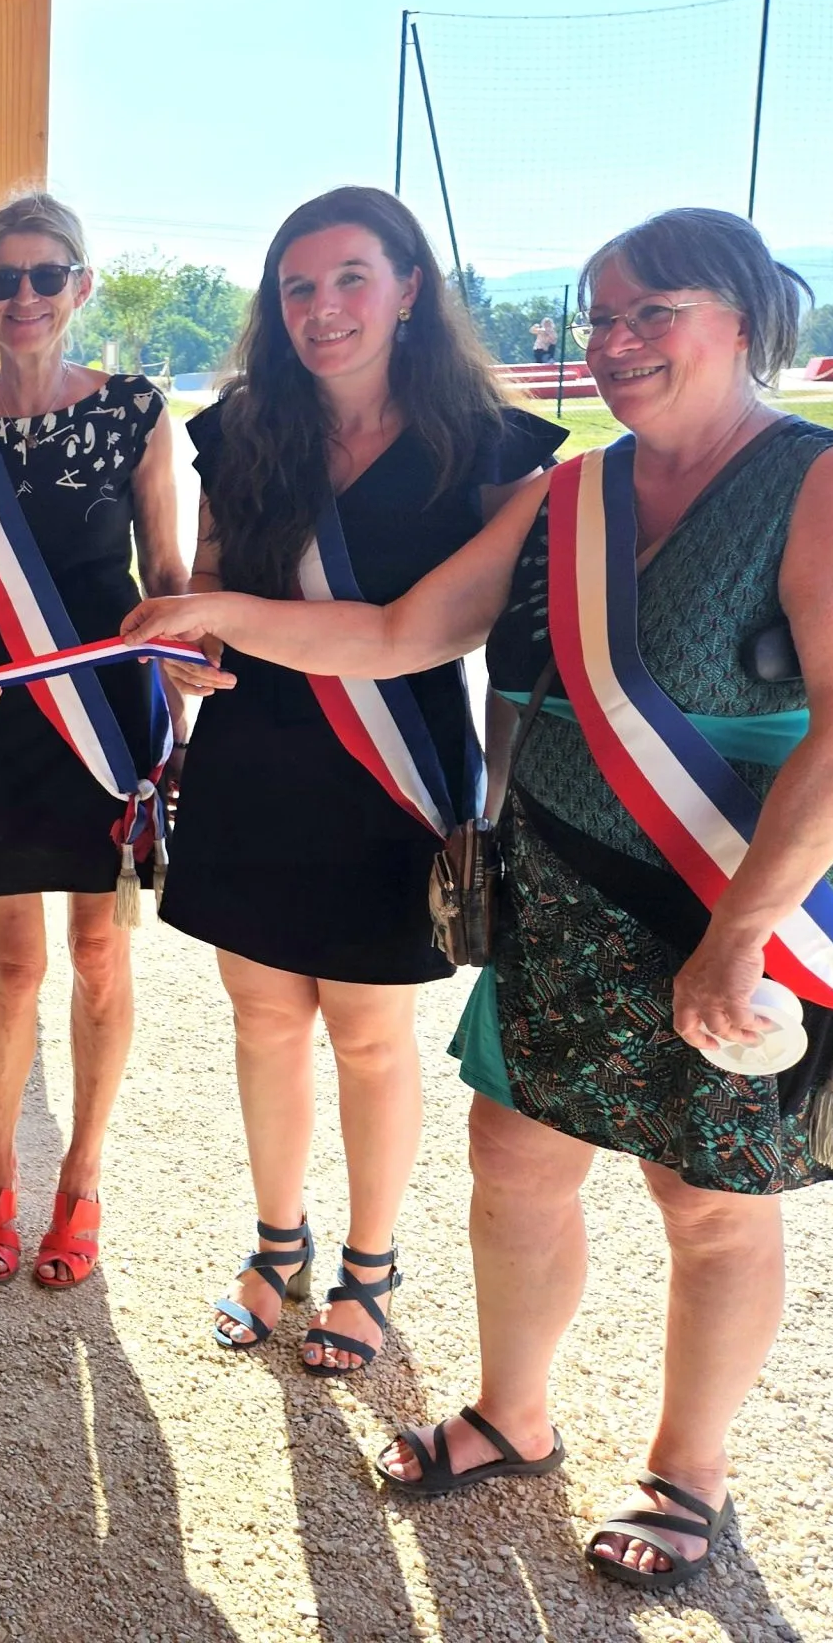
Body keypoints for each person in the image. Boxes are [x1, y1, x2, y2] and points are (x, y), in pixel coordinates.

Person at [127, 207, 833, 1591]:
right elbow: (392, 635)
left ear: (740, 316)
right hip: (560, 887)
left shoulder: (825, 480)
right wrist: (208, 615)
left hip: (742, 900)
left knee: (708, 1199)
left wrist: (736, 944)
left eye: (649, 315)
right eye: (598, 320)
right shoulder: (574, 495)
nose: (614, 346)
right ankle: (513, 1410)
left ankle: (689, 1475)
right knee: (516, 1167)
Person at [157, 187, 563, 1374]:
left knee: (372, 1039)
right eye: (297, 285)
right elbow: (216, 586)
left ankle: (368, 1270)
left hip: (392, 772)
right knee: (264, 1020)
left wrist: (220, 611)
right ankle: (276, 1246)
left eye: (348, 279)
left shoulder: (488, 445)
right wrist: (191, 652)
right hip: (253, 761)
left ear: (407, 291)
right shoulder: (237, 430)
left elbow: (431, 632)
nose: (321, 308)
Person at [0, 193, 187, 1289]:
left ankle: (82, 1175)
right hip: (2, 708)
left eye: (44, 274)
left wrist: (187, 667)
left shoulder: (134, 409)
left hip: (107, 705)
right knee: (13, 966)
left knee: (99, 953)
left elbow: (164, 574)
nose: (22, 296)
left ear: (79, 287)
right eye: (1, 278)